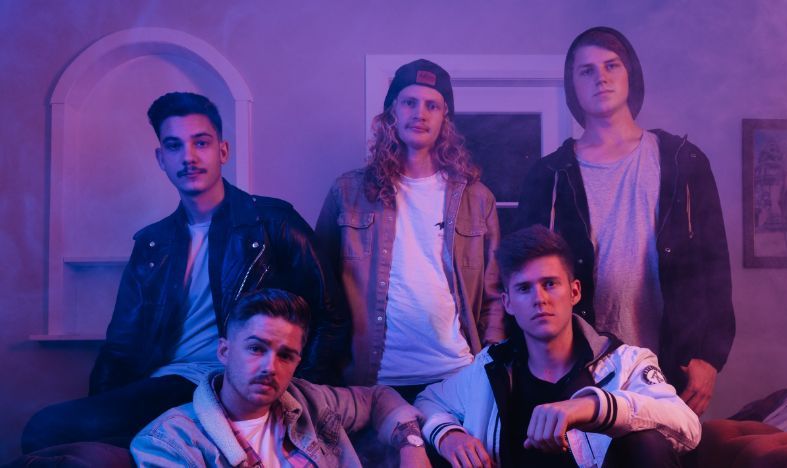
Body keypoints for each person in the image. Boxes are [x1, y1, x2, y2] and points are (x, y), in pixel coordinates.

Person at [22, 92, 349, 452]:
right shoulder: (152, 245)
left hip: (224, 383)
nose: (189, 157)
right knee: (58, 434)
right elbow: (120, 348)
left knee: (46, 427)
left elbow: (331, 316)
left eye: (201, 143)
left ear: (222, 151)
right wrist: (99, 413)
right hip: (162, 384)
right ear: (161, 159)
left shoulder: (273, 223)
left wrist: (294, 395)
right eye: (174, 146)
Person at [516, 26, 735, 415]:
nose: (600, 77)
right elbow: (522, 276)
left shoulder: (683, 162)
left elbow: (714, 265)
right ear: (572, 87)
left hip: (670, 364)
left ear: (630, 74)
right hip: (578, 367)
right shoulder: (548, 176)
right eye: (586, 70)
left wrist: (710, 356)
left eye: (611, 65)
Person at [415, 226, 700, 467]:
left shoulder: (625, 363)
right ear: (508, 303)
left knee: (646, 443)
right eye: (524, 288)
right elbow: (427, 401)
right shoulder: (489, 369)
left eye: (550, 284)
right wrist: (448, 436)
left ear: (574, 292)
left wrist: (593, 407)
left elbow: (687, 426)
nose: (539, 299)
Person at [315, 59, 503, 402]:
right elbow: (320, 290)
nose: (420, 113)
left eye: (432, 105)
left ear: (445, 118)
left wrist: (493, 369)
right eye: (409, 102)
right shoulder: (348, 192)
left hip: (458, 373)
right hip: (373, 380)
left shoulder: (477, 198)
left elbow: (494, 298)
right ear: (392, 112)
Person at [131, 289, 430, 467]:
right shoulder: (169, 442)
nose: (270, 367)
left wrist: (412, 447)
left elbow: (379, 397)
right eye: (256, 348)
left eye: (285, 355)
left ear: (297, 362)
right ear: (224, 351)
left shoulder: (312, 401)